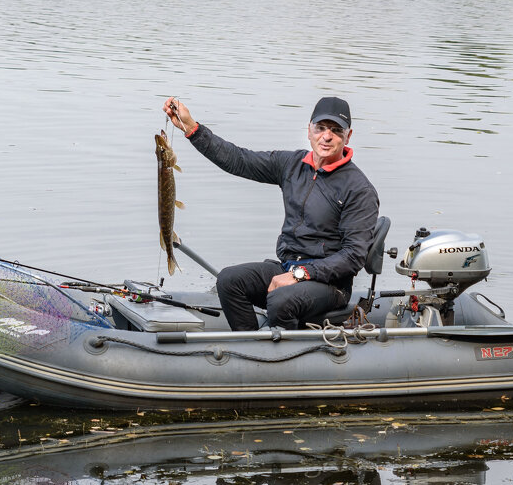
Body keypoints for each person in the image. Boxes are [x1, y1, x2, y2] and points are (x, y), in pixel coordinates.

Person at [161, 96, 380, 330]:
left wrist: (301, 274)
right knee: (229, 280)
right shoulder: (291, 164)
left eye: (336, 130)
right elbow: (239, 160)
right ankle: (250, 349)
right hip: (287, 267)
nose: (326, 136)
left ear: (348, 136)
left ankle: (283, 357)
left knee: (281, 300)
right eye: (320, 128)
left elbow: (353, 256)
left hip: (330, 284)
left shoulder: (359, 189)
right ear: (309, 130)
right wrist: (192, 128)